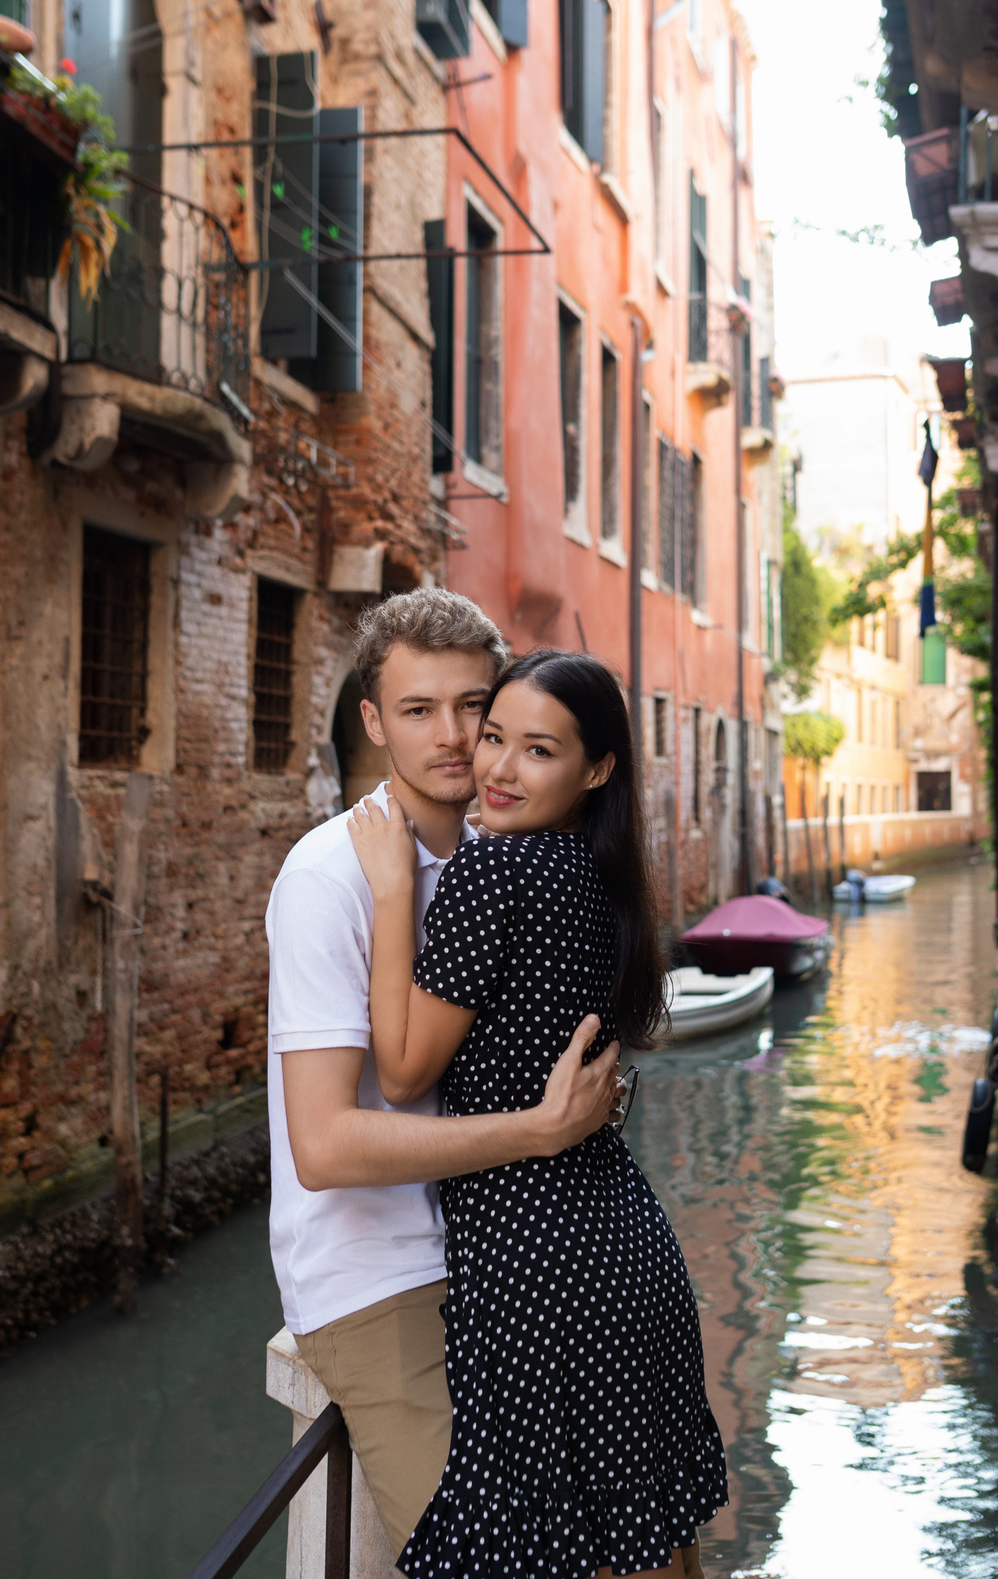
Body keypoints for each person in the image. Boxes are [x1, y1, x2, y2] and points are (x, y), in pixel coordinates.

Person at [349, 649, 729, 1579]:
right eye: (494, 738)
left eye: (539, 750)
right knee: (648, 1543)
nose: (500, 768)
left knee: (564, 1551)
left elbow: (402, 1070)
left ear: (595, 769)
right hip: (625, 1247)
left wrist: (395, 889)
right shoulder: (603, 878)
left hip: (537, 1268)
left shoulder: (494, 872)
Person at [264, 590, 625, 1559]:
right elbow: (323, 1146)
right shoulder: (328, 878)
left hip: (498, 1255)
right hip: (380, 1277)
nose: (456, 736)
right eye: (418, 710)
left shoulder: (500, 856)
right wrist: (539, 1130)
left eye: (474, 706)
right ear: (374, 722)